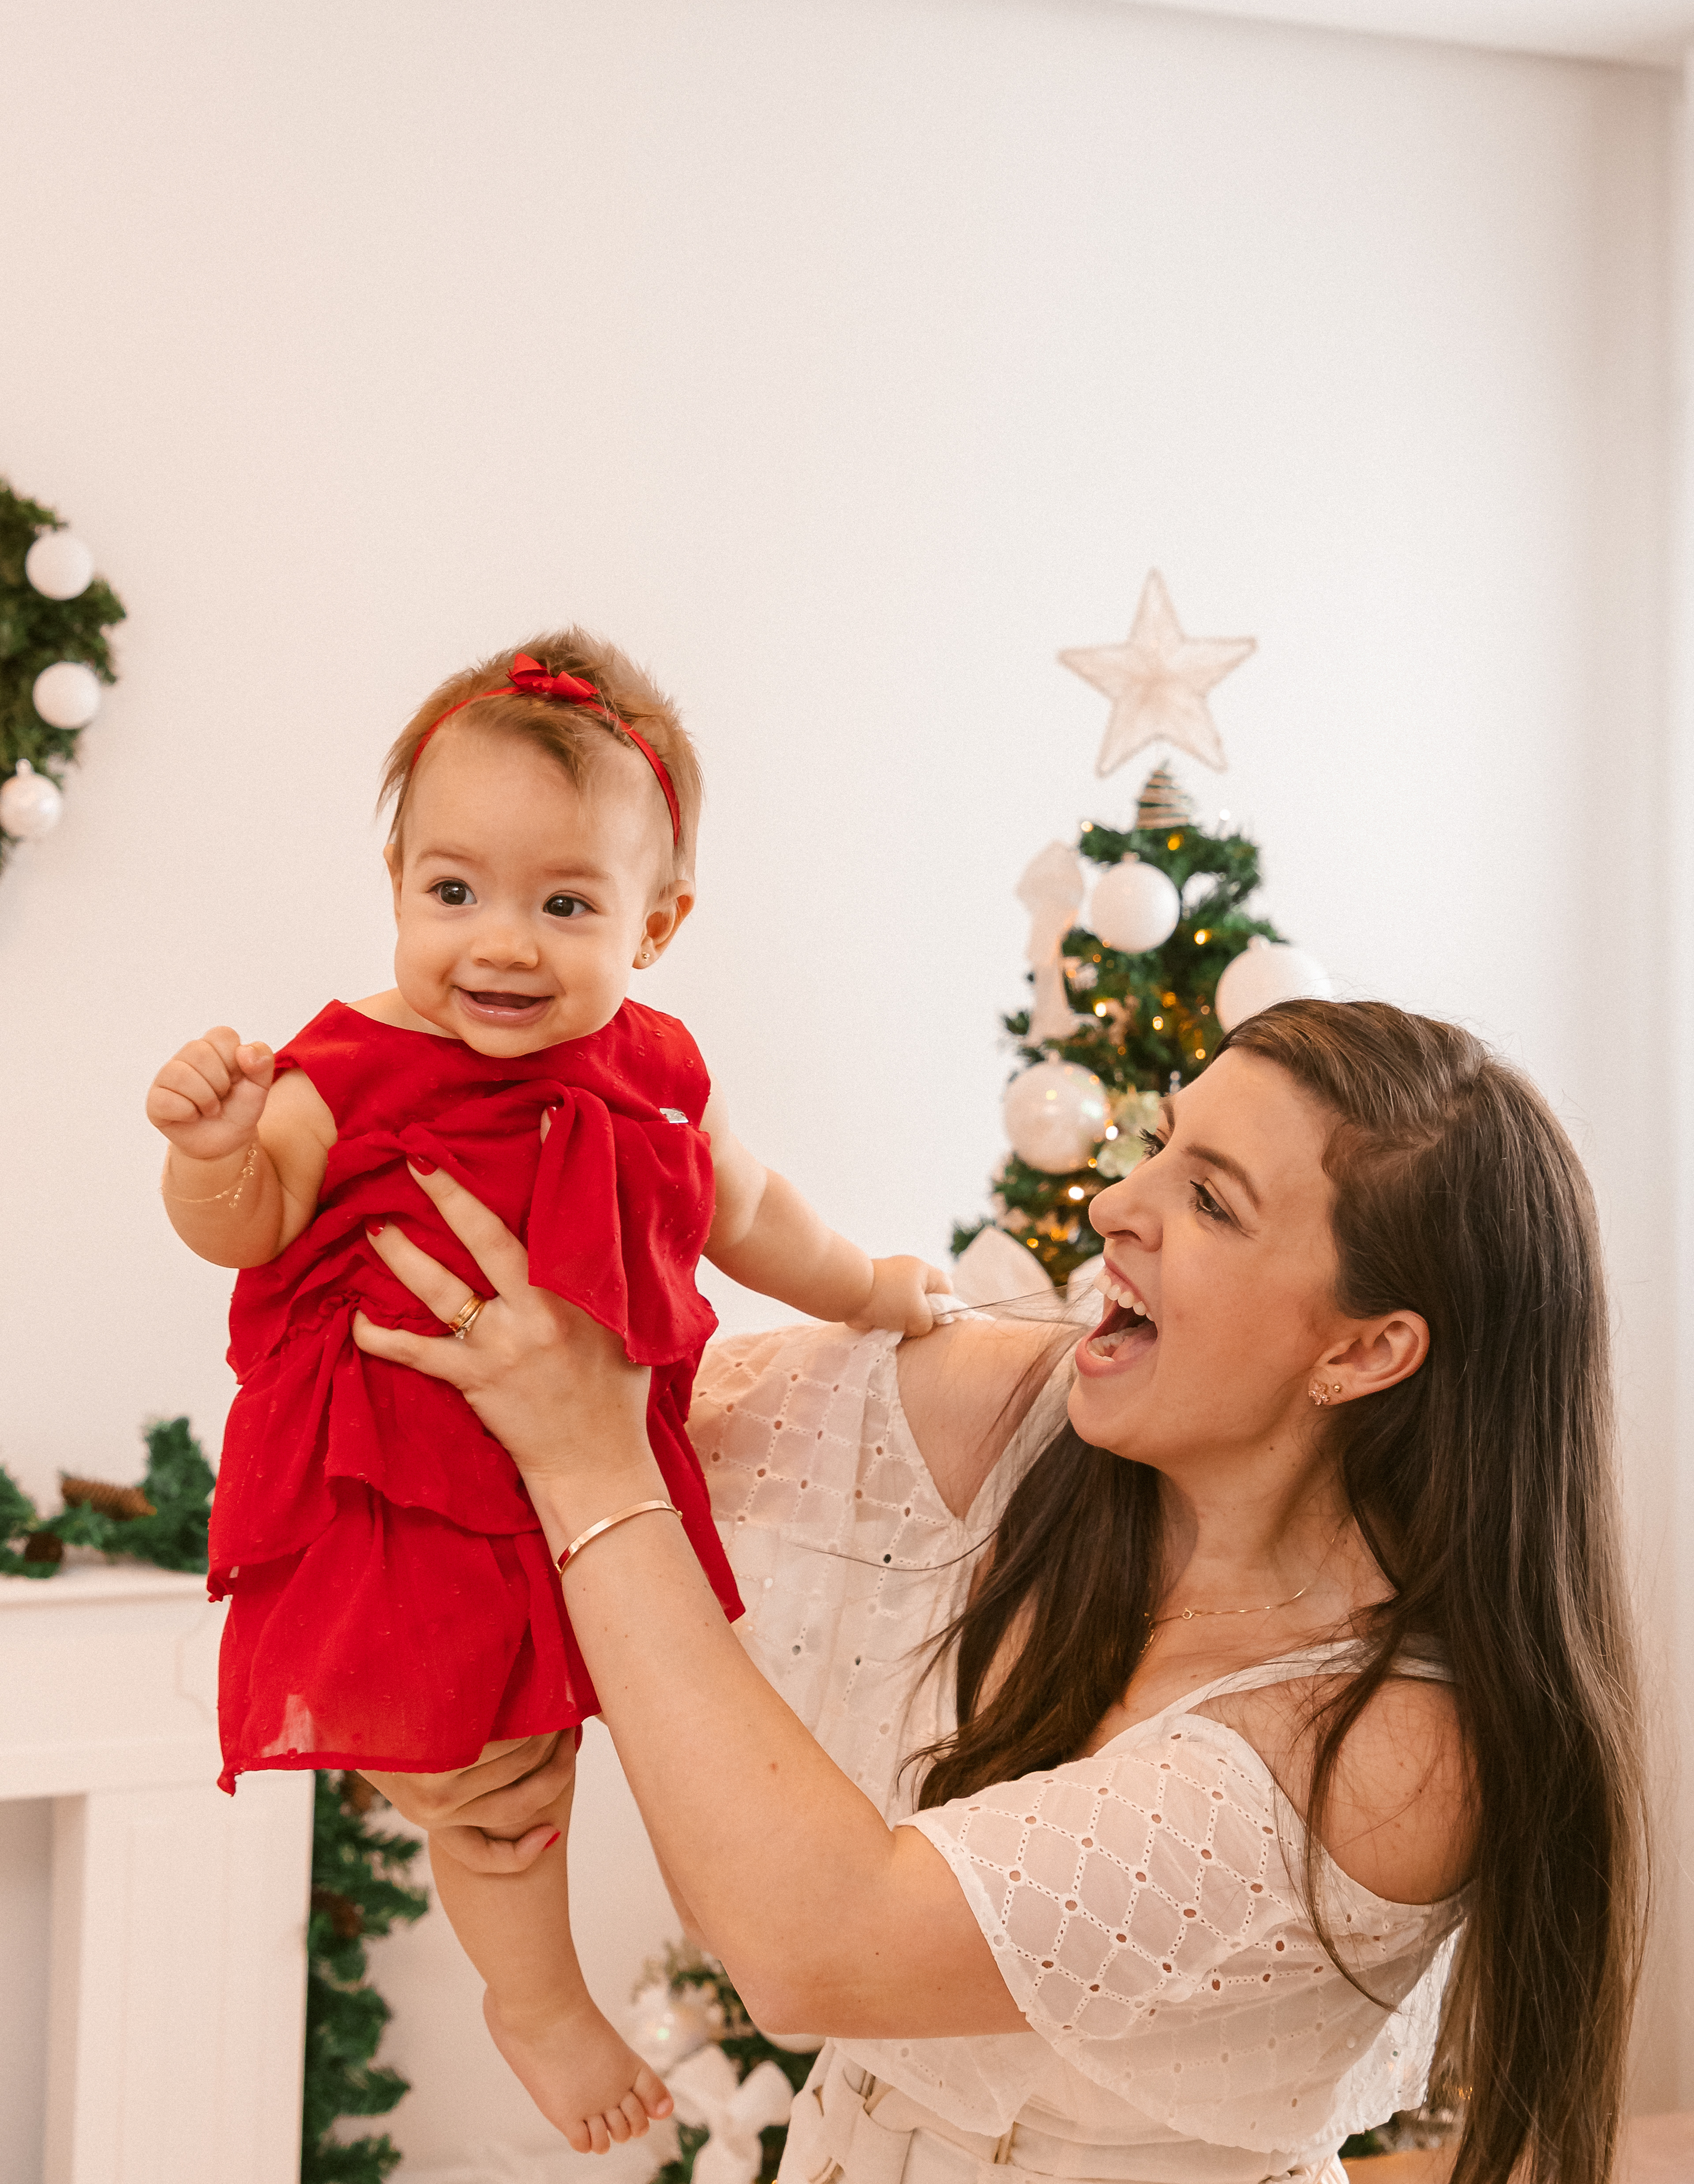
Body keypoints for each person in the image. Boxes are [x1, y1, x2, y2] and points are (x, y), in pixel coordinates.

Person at [353, 999, 1647, 2184]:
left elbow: (817, 1948)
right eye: (1159, 1143)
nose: (1113, 1206)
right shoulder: (1023, 1418)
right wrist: (426, 1747)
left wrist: (585, 1463)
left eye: (1211, 1202)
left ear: (1366, 1349)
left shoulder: (1396, 1757)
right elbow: (498, 1461)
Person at [143, 629, 949, 2146]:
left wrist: (868, 1288)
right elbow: (248, 1225)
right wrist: (212, 1154)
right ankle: (537, 1999)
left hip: (581, 1494)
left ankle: (660, 1961)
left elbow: (749, 1210)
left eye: (564, 903)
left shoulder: (650, 1070)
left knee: (618, 1740)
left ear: (658, 924)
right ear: (396, 884)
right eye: (454, 893)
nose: (500, 943)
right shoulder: (350, 1063)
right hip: (402, 1491)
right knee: (493, 1792)